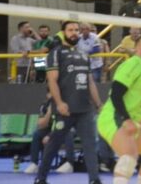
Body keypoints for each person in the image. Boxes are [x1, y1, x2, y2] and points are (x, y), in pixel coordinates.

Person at [33, 21, 102, 184]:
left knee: (90, 145)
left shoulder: (84, 54)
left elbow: (90, 82)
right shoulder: (56, 53)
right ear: (63, 33)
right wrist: (59, 103)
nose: (74, 33)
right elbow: (52, 81)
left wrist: (99, 104)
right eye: (70, 30)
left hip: (84, 109)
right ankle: (41, 178)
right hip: (65, 109)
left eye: (77, 30)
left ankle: (94, 180)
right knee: (53, 144)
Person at [97, 32, 141, 184]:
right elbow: (116, 94)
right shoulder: (134, 63)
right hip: (114, 118)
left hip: (131, 121)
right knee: (129, 156)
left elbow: (136, 97)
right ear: (137, 49)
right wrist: (126, 119)